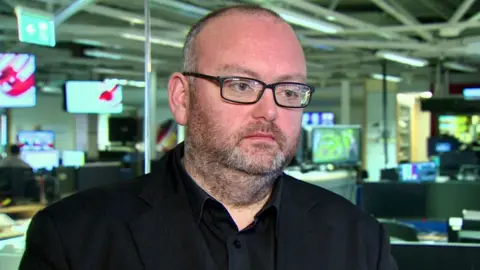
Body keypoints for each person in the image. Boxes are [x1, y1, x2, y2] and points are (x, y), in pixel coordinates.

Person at [20, 5, 397, 270]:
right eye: (240, 84)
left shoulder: (360, 239)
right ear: (182, 99)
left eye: (290, 90)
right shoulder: (74, 237)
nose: (269, 110)